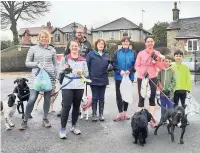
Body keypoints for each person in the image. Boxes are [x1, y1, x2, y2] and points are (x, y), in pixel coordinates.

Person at [19, 30, 58, 130]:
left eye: (46, 37)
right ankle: (25, 120)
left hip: (49, 77)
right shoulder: (33, 48)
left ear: (48, 38)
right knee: (32, 99)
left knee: (47, 99)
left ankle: (45, 119)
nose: (44, 39)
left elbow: (55, 65)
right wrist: (36, 64)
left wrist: (55, 79)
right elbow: (27, 63)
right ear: (39, 38)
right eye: (42, 37)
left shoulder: (52, 50)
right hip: (36, 78)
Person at [57, 27, 92, 117]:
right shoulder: (70, 42)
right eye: (78, 32)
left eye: (81, 32)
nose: (79, 34)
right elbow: (65, 54)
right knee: (67, 91)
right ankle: (64, 108)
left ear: (83, 33)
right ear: (76, 33)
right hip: (70, 71)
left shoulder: (88, 44)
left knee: (79, 93)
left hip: (81, 70)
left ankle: (79, 108)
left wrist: (87, 72)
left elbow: (90, 56)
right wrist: (65, 65)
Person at [59, 39, 89, 139]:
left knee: (76, 106)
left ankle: (74, 126)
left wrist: (82, 72)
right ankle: (63, 129)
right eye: (72, 46)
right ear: (69, 47)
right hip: (68, 84)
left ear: (79, 47)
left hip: (79, 85)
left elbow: (87, 73)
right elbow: (60, 70)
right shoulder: (65, 58)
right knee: (66, 107)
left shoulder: (83, 60)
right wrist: (65, 68)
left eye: (76, 46)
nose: (74, 47)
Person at [135, 36, 165, 127]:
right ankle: (140, 119)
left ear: (154, 43)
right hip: (142, 77)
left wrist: (158, 61)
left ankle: (152, 119)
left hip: (153, 77)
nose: (150, 43)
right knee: (141, 97)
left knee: (152, 98)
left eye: (151, 41)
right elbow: (136, 65)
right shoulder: (141, 53)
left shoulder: (157, 53)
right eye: (148, 41)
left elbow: (161, 66)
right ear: (145, 43)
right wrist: (142, 72)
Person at [112, 36, 136, 121]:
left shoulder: (133, 53)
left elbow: (136, 65)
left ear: (129, 43)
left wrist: (130, 71)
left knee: (127, 94)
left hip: (129, 77)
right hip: (119, 77)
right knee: (119, 95)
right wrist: (120, 70)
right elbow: (113, 64)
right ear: (121, 43)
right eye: (124, 41)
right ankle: (120, 113)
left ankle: (125, 113)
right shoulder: (117, 52)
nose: (125, 42)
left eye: (127, 41)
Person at [86, 39, 109, 122]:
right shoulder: (91, 54)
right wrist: (87, 77)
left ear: (104, 46)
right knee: (95, 97)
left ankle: (101, 114)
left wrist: (110, 67)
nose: (101, 45)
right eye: (99, 44)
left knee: (102, 97)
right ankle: (94, 114)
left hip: (103, 79)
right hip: (94, 79)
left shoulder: (106, 55)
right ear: (96, 45)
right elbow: (86, 66)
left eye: (102, 44)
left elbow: (109, 65)